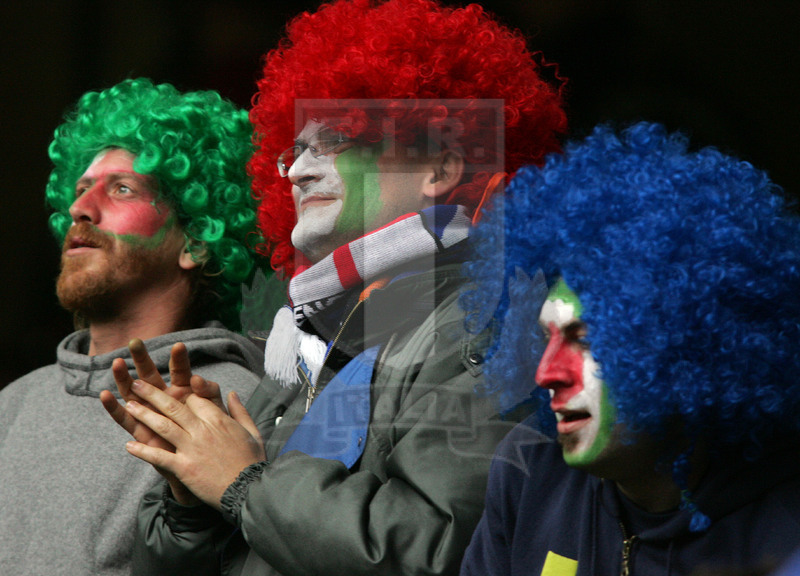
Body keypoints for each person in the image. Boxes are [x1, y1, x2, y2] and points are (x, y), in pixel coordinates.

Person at [107, 1, 568, 575]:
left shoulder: (487, 321)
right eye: (295, 150)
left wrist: (243, 482)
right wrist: (190, 490)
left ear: (440, 169)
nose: (298, 171)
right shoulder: (312, 336)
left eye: (335, 141)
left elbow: (433, 553)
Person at [459, 122, 800, 576]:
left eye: (587, 339)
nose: (546, 374)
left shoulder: (783, 532)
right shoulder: (528, 472)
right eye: (545, 338)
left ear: (688, 348)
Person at [0, 78, 268, 576]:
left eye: (122, 188)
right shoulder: (12, 403)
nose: (80, 208)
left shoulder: (237, 405)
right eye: (80, 190)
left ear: (197, 241)